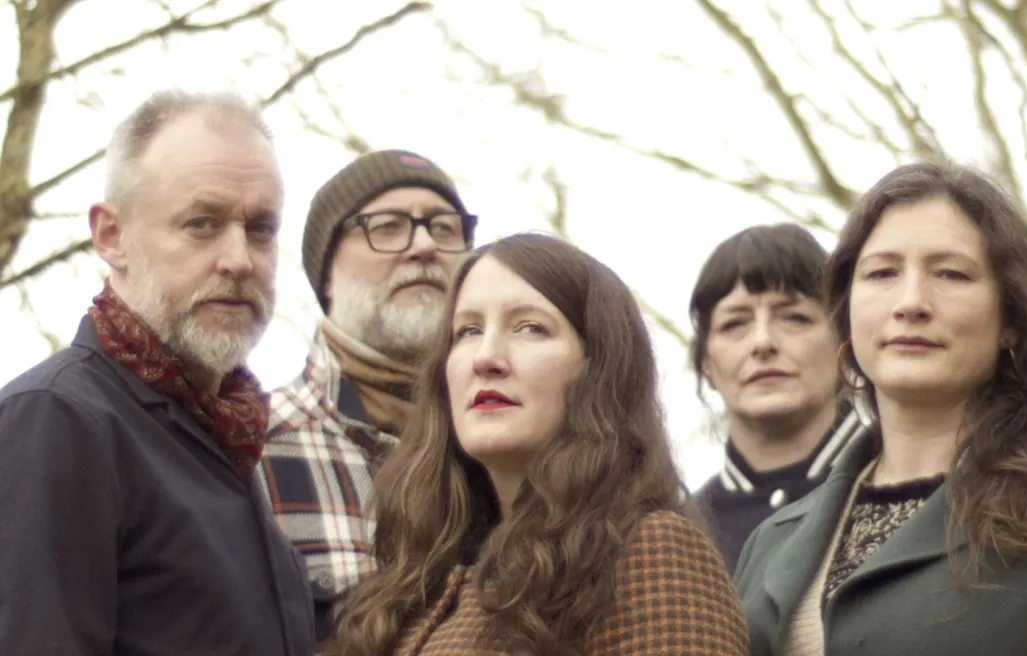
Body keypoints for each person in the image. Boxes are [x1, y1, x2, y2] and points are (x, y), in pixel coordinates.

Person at [734, 161, 1027, 655]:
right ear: (848, 314)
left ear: (1012, 320)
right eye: (882, 273)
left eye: (951, 274)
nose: (911, 301)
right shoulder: (772, 543)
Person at [327, 233, 749, 655]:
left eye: (530, 328)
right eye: (468, 330)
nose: (485, 357)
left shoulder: (652, 554)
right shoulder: (415, 581)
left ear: (597, 370)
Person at [0, 90, 314, 654]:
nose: (239, 259)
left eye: (261, 229)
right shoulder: (58, 418)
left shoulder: (228, 433)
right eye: (202, 223)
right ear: (111, 237)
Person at [256, 149, 477, 642]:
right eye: (389, 227)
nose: (424, 246)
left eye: (445, 228)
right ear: (326, 276)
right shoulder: (248, 449)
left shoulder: (520, 452)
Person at [689, 224, 868, 572]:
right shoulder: (681, 530)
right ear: (707, 363)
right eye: (733, 324)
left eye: (795, 318)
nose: (762, 342)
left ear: (844, 342)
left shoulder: (906, 487)